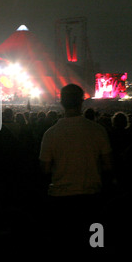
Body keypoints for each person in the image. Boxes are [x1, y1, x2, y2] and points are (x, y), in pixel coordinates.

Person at [39, 84, 113, 252]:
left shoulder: (50, 134)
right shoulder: (98, 130)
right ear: (82, 102)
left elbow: (44, 169)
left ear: (61, 102)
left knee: (65, 244)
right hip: (92, 198)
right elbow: (109, 165)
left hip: (61, 199)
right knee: (94, 245)